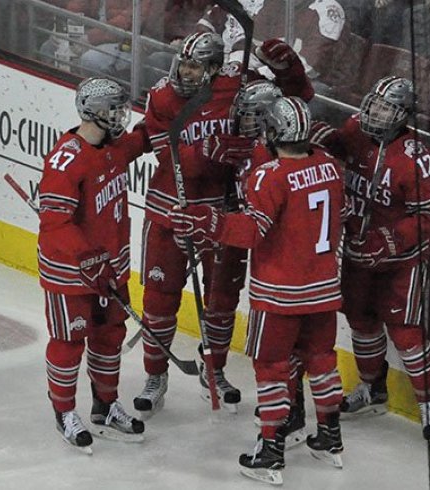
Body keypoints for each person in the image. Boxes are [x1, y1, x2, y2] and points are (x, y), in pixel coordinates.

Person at [133, 31, 314, 418]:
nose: (184, 72)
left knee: (221, 302)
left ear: (215, 68)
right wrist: (206, 152)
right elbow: (170, 157)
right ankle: (155, 375)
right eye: (182, 63)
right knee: (159, 299)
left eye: (194, 65)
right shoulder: (164, 97)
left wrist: (288, 66)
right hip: (171, 211)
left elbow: (298, 101)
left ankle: (213, 371)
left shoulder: (238, 84)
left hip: (223, 213)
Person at [170, 96, 347, 484]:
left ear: (273, 131)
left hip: (280, 292)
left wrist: (209, 221)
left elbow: (251, 231)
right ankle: (330, 437)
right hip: (323, 288)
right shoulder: (331, 167)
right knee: (321, 359)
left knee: (270, 368)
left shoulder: (269, 174)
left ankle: (270, 452)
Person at [318, 75, 430, 440]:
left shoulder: (413, 157)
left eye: (386, 108)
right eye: (374, 102)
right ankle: (372, 388)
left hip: (401, 261)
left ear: (402, 115)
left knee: (405, 333)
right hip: (357, 251)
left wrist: (389, 240)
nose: (374, 111)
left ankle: (427, 403)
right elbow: (336, 151)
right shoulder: (356, 128)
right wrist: (323, 140)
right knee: (361, 322)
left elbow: (427, 218)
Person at [37, 77, 150, 453]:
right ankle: (64, 412)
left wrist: (176, 101)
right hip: (71, 274)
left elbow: (146, 137)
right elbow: (55, 223)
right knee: (69, 342)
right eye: (114, 109)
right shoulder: (66, 159)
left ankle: (105, 405)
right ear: (93, 111)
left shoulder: (113, 148)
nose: (121, 115)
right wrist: (89, 261)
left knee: (109, 339)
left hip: (110, 269)